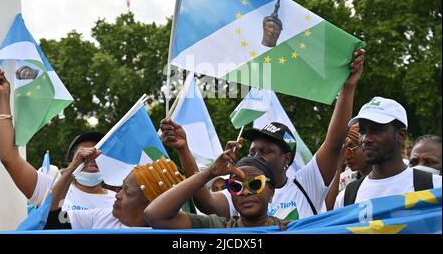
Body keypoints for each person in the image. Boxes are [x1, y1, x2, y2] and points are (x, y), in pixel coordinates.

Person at [160, 49, 365, 221]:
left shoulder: (306, 183)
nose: (255, 155)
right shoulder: (241, 191)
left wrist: (348, 87)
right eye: (252, 150)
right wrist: (183, 149)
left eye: (265, 151)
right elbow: (206, 202)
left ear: (286, 158)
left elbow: (334, 142)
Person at [0, 69, 115, 211]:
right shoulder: (48, 188)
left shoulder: (119, 202)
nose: (92, 158)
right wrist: (3, 96)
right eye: (85, 156)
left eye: (97, 154)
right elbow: (9, 157)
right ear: (71, 162)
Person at [334, 97, 442, 209]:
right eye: (362, 131)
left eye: (375, 130)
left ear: (401, 135)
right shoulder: (346, 198)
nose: (366, 138)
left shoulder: (435, 187)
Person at [45, 146, 185, 229]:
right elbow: (51, 220)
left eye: (128, 192)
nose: (118, 195)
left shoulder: (173, 232)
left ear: (152, 203)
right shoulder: (102, 217)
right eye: (121, 188)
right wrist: (72, 169)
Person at [144, 154, 289, 229]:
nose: (245, 192)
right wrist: (209, 173)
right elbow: (155, 215)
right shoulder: (216, 227)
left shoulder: (290, 229)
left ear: (271, 191)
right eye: (236, 186)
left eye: (255, 184)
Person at [324, 124, 372, 211]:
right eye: (343, 151)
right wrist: (338, 166)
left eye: (350, 149)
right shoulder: (344, 180)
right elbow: (330, 213)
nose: (347, 156)